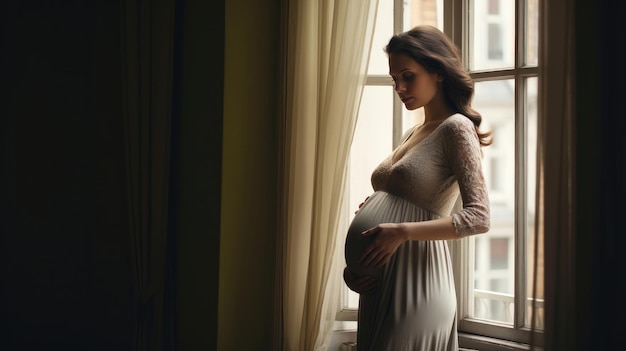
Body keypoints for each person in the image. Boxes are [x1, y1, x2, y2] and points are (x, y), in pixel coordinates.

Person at [343, 25, 492, 351]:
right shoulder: (413, 133)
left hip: (419, 285)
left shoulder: (457, 127)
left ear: (438, 71)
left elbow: (479, 217)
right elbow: (403, 199)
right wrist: (355, 268)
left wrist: (401, 231)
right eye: (395, 78)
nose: (399, 87)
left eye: (408, 76)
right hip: (381, 286)